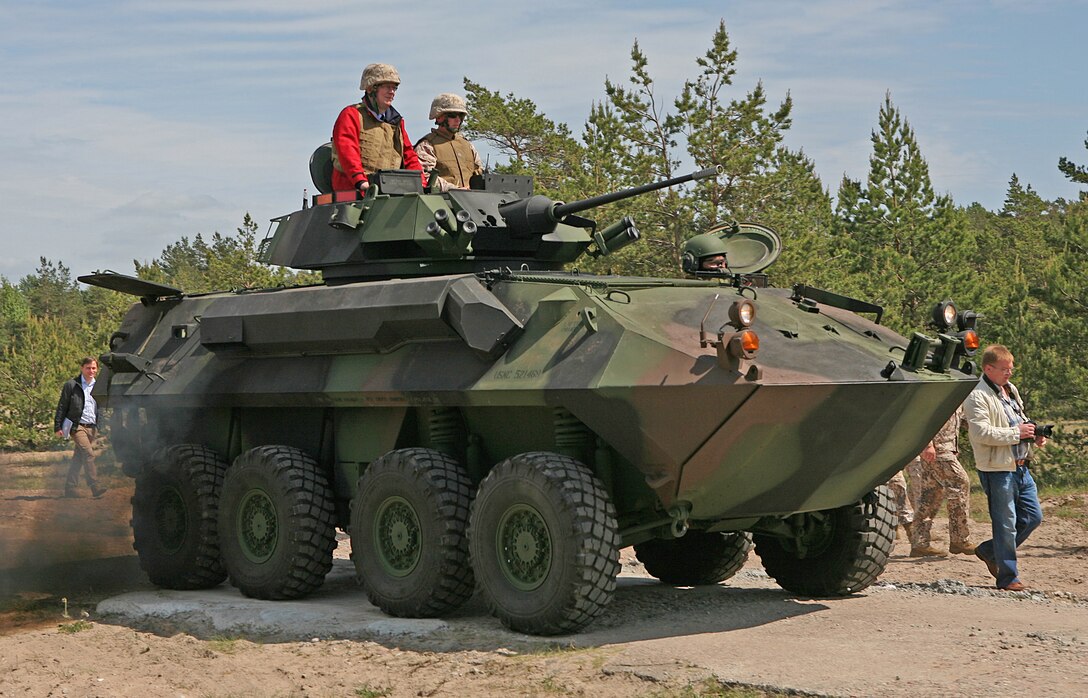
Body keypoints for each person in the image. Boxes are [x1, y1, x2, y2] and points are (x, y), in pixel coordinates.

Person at [963, 344, 1045, 591]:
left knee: (1032, 517)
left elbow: (1019, 420)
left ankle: (989, 550)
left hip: (1020, 467)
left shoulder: (1009, 389)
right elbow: (980, 434)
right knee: (1006, 524)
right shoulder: (977, 395)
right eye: (1005, 369)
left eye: (1011, 368)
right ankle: (1008, 578)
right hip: (997, 469)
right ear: (988, 368)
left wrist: (1034, 432)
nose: (1010, 373)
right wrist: (1016, 433)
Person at [330, 63, 423, 194]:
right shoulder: (352, 115)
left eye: (394, 88)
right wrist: (360, 181)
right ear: (370, 89)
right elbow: (347, 150)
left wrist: (421, 183)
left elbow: (409, 155)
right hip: (355, 191)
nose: (392, 92)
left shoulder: (396, 122)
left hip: (390, 190)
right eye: (387, 87)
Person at [907, 409, 975, 557]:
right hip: (938, 449)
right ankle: (960, 539)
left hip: (946, 449)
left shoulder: (961, 394)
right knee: (960, 482)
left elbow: (965, 421)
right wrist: (927, 445)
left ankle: (920, 544)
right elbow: (924, 415)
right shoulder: (943, 390)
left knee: (931, 495)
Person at [53, 357, 106, 498]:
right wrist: (58, 426)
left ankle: (70, 488)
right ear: (82, 368)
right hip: (76, 426)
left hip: (92, 427)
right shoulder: (71, 385)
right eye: (88, 368)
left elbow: (100, 407)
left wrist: (102, 424)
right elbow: (62, 406)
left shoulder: (98, 385)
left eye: (94, 368)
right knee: (88, 454)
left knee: (79, 457)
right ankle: (95, 486)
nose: (91, 371)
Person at [415, 93, 483, 192]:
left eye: (461, 116)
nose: (458, 120)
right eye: (452, 115)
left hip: (472, 201)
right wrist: (455, 190)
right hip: (442, 202)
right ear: (438, 117)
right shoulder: (428, 145)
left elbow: (479, 173)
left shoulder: (467, 146)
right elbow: (425, 177)